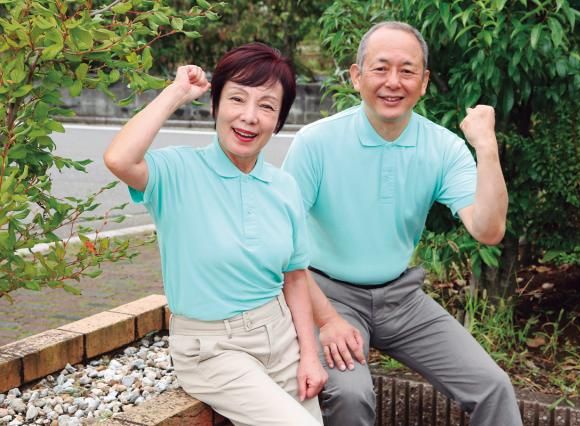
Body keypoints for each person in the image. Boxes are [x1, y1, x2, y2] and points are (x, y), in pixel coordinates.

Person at [282, 21, 522, 425]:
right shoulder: (316, 142)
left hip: (401, 297)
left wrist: (486, 146)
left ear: (423, 82)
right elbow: (281, 244)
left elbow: (488, 229)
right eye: (380, 68)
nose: (393, 82)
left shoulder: (442, 147)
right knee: (351, 396)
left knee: (493, 386)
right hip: (327, 295)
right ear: (356, 76)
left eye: (407, 71)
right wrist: (326, 320)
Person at [104, 43, 326, 425]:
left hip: (280, 335)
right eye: (237, 99)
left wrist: (310, 354)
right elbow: (119, 158)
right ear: (215, 104)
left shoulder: (284, 186)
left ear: (279, 121)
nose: (249, 117)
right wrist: (176, 92)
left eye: (267, 106)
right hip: (212, 349)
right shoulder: (177, 171)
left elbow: (295, 277)